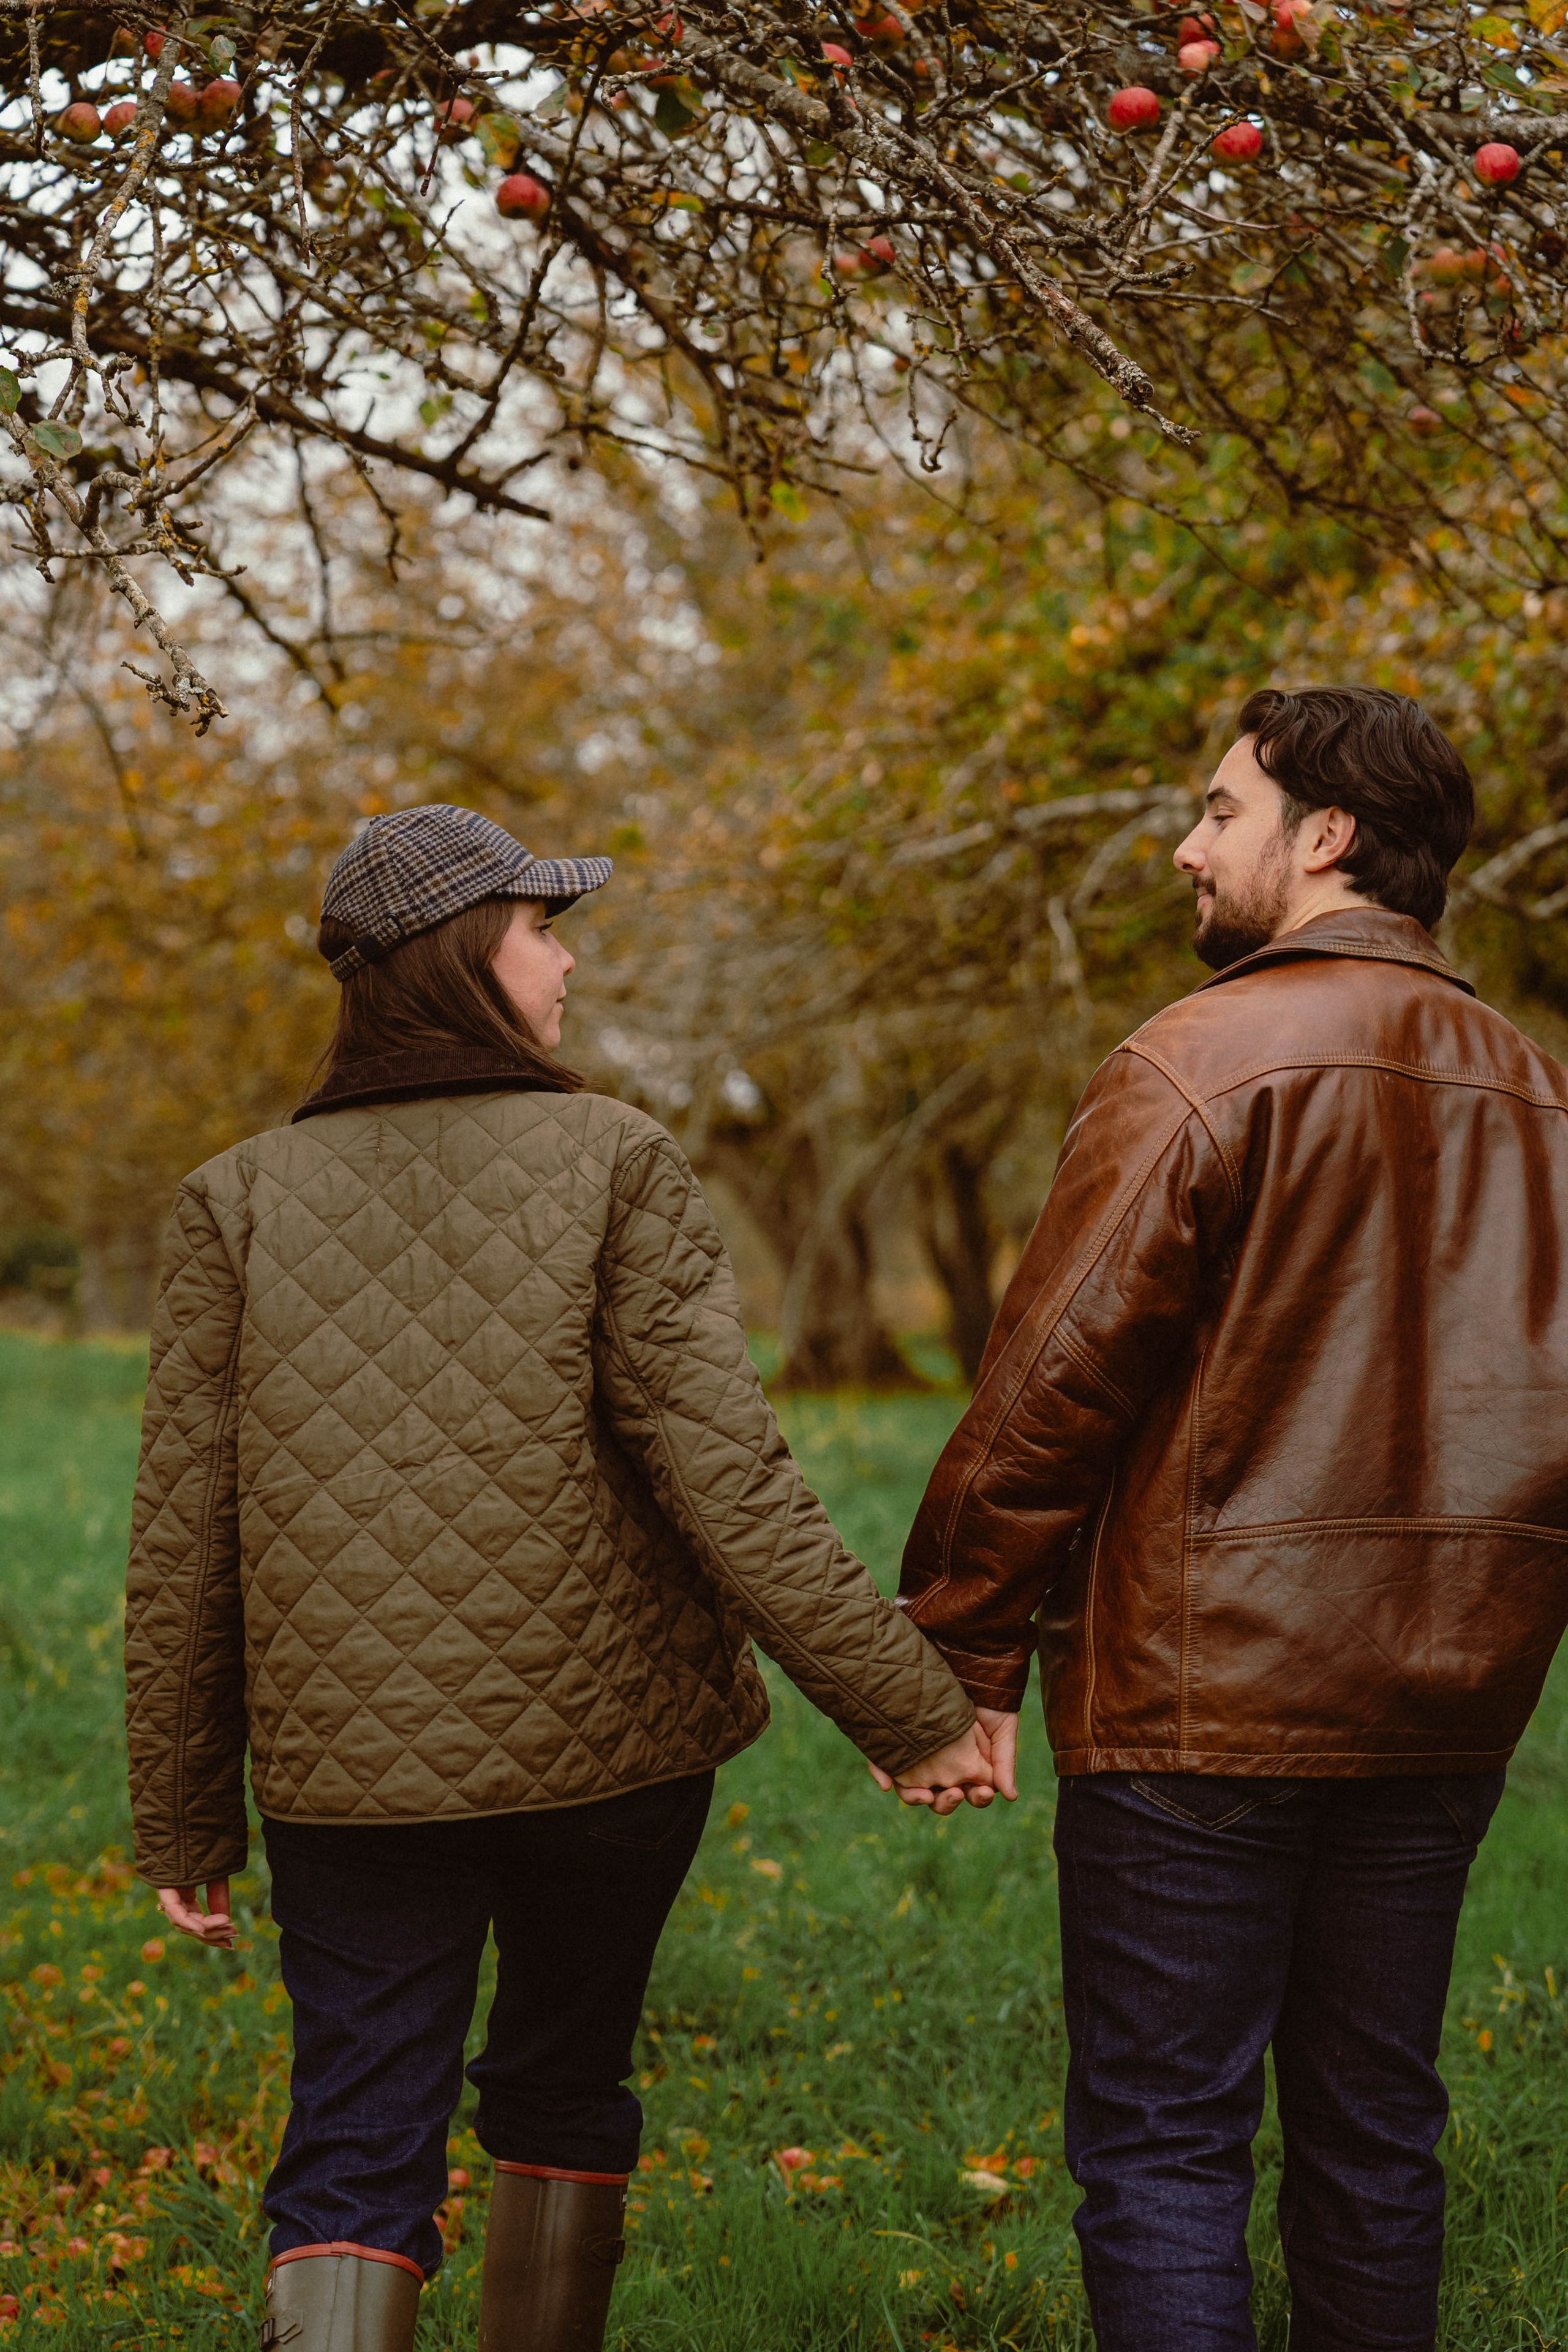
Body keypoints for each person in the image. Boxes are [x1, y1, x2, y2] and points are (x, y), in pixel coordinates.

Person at [124, 803, 992, 2352]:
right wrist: (909, 1712)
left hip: (350, 1770)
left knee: (354, 2127)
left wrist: (185, 1808)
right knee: (563, 2080)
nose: (568, 959)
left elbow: (185, 1538)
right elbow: (722, 1472)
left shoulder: (234, 1198)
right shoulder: (613, 1160)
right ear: (466, 956)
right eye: (543, 928)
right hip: (613, 1753)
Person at [898, 687, 1568, 2350]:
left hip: (1200, 1702)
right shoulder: (1543, 1099)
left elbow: (1051, 1388)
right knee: (1374, 2134)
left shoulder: (1197, 1060)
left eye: (1217, 813)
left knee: (1166, 2143)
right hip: (1445, 1700)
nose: (1190, 850)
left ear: (1325, 835)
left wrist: (962, 1649)